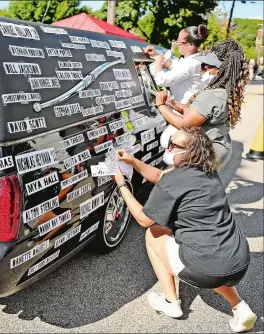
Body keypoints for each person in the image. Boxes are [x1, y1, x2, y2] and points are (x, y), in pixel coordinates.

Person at [112, 126, 257, 333]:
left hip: (206, 269)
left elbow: (144, 219)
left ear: (190, 152)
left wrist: (122, 186)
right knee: (214, 262)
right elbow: (160, 175)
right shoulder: (208, 172)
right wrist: (132, 161)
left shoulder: (174, 180)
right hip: (238, 262)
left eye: (174, 145)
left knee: (154, 233)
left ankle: (170, 302)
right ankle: (240, 307)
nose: (168, 147)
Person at [155, 40, 249, 170]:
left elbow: (184, 124)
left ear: (219, 70)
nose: (201, 69)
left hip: (206, 155)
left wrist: (161, 105)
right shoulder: (221, 91)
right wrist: (174, 104)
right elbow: (197, 113)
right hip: (217, 150)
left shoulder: (212, 95)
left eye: (205, 65)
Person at [146, 24, 209, 104]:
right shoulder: (195, 57)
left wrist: (158, 61)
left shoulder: (191, 63)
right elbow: (176, 65)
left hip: (187, 109)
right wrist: (156, 55)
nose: (176, 43)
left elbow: (162, 80)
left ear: (188, 45)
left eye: (179, 41)